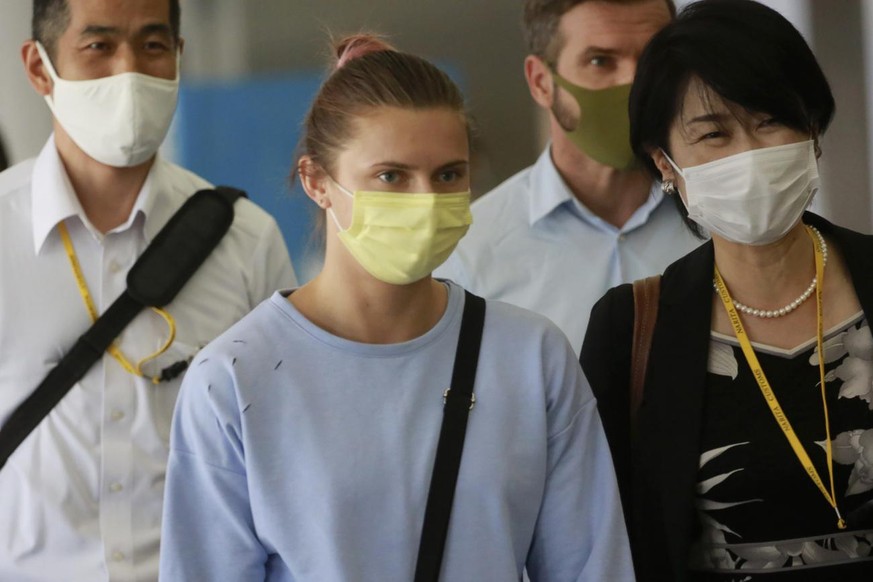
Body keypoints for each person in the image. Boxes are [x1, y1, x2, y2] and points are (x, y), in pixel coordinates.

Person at [159, 34, 634, 582]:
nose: (425, 201)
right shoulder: (235, 378)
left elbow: (592, 567)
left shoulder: (532, 357)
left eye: (448, 175)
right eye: (391, 176)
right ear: (318, 182)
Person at [0, 1, 296, 580]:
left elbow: (284, 459)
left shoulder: (246, 241)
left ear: (179, 58)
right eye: (99, 46)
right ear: (39, 68)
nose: (130, 70)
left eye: (153, 46)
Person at [580, 1, 873, 580]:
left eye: (770, 121)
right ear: (666, 163)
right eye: (713, 134)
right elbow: (610, 535)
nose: (751, 154)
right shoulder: (632, 327)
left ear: (812, 128)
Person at [435, 0, 701, 353]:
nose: (635, 82)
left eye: (654, 57)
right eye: (600, 61)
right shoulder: (470, 254)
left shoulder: (722, 221)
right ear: (541, 82)